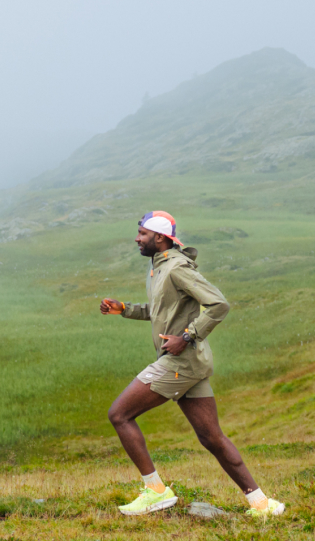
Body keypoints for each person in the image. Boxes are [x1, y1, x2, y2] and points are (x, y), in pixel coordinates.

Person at [99, 211, 284, 517]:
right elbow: (161, 310)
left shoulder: (176, 268)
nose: (137, 238)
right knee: (212, 437)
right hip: (189, 364)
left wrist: (186, 336)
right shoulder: (157, 268)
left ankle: (156, 491)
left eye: (142, 234)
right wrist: (124, 309)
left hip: (179, 362)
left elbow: (218, 303)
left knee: (119, 414)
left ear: (159, 238)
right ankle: (262, 504)